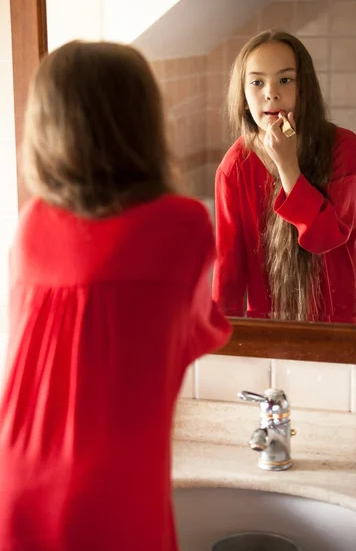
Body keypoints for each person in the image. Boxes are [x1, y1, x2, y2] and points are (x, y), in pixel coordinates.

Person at [0, 40, 231, 550]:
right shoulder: (184, 225)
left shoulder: (32, 223)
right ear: (143, 122)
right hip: (112, 483)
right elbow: (200, 332)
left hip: (14, 473)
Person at [212, 30, 356, 324]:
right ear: (245, 98)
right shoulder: (234, 168)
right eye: (257, 82)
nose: (271, 92)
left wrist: (287, 166)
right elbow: (228, 275)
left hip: (342, 319)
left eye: (285, 80)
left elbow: (326, 236)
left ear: (303, 89)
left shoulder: (342, 147)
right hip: (271, 326)